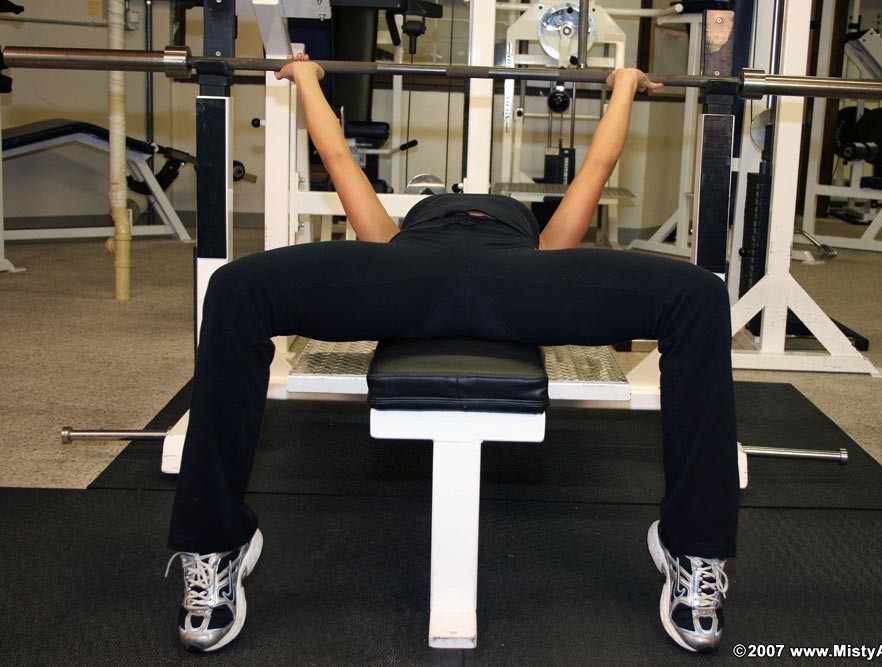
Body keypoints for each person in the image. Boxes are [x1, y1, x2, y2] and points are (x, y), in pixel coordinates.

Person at [165, 54, 738, 654]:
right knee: (234, 287)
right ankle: (216, 539)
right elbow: (339, 162)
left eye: (483, 204)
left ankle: (692, 544)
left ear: (514, 220)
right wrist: (307, 80)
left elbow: (596, 165)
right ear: (426, 214)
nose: (470, 204)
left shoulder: (544, 248)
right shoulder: (391, 242)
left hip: (514, 284)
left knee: (699, 295)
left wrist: (623, 86)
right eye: (455, 202)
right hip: (411, 277)